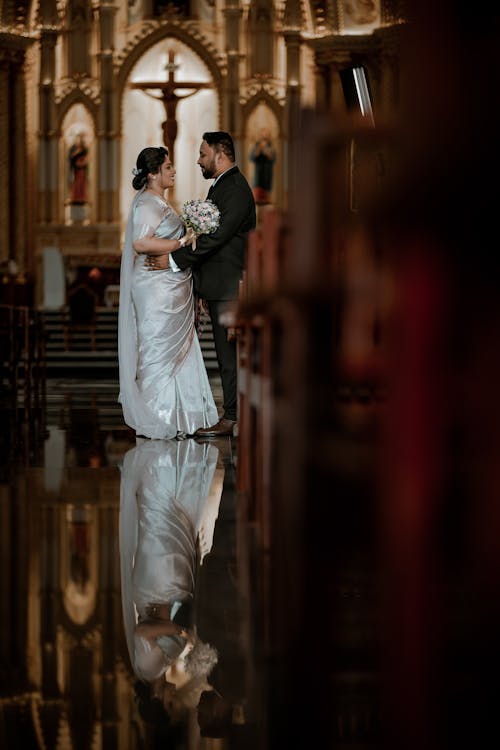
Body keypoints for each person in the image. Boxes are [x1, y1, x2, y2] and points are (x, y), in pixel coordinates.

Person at [144, 131, 257, 438]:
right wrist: (203, 285)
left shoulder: (234, 189)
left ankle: (233, 416)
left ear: (220, 155)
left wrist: (173, 261)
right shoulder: (222, 186)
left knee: (228, 354)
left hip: (230, 286)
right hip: (219, 285)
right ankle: (233, 413)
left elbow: (216, 238)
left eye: (203, 154)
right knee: (225, 354)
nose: (198, 160)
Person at [119, 438, 223, 729]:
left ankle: (160, 469)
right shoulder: (159, 669)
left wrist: (182, 633)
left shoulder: (148, 668)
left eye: (168, 703)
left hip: (158, 584)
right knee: (174, 525)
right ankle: (167, 468)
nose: (172, 697)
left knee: (161, 525)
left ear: (154, 700)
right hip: (168, 588)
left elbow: (143, 630)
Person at [118, 145, 219, 439]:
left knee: (171, 349)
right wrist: (182, 243)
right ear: (152, 174)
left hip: (167, 284)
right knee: (157, 348)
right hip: (154, 287)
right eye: (168, 167)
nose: (174, 170)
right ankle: (156, 414)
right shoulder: (147, 204)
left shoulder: (159, 202)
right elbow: (140, 243)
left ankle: (179, 415)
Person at [249, 127, 276, 204]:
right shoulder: (257, 146)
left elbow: (273, 158)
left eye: (266, 136)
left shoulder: (271, 147)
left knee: (267, 199)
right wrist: (259, 149)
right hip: (258, 175)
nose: (264, 138)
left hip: (267, 174)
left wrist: (267, 151)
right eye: (263, 136)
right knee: (257, 198)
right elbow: (251, 157)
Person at [68, 133, 89, 204]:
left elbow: (86, 160)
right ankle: (76, 198)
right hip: (77, 170)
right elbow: (72, 158)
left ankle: (82, 198)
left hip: (82, 170)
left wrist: (82, 162)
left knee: (82, 184)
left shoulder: (84, 150)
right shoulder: (74, 149)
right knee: (77, 183)